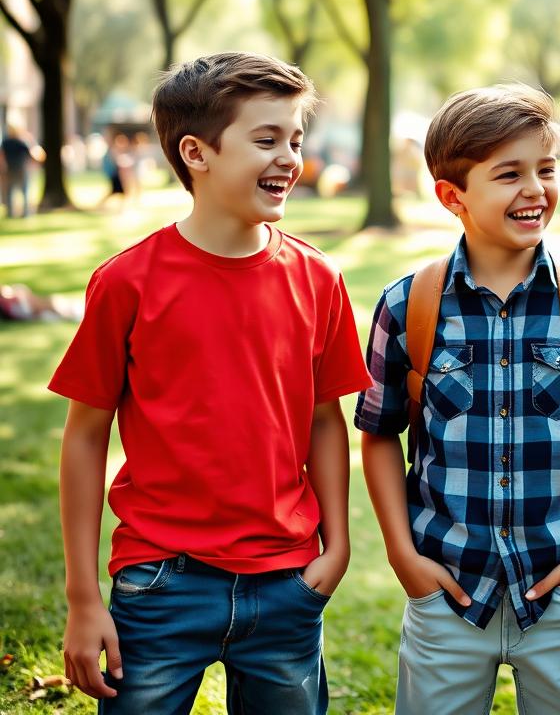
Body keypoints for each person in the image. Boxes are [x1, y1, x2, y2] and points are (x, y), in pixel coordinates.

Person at [50, 52, 370, 713]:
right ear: (196, 152)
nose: (290, 158)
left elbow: (324, 420)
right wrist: (84, 597)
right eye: (266, 140)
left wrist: (334, 547)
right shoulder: (126, 284)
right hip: (160, 584)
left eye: (295, 140)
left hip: (286, 581)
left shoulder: (319, 280)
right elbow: (85, 438)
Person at [355, 84, 560, 715]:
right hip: (445, 589)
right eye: (509, 174)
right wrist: (402, 556)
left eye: (546, 170)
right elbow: (379, 433)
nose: (535, 189)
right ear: (452, 196)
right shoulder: (407, 306)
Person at [1, 123, 43, 218]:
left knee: (9, 191)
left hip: (9, 169)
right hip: (20, 169)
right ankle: (25, 213)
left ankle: (10, 213)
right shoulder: (21, 142)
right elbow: (31, 154)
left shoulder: (5, 142)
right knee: (24, 190)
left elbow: (1, 155)